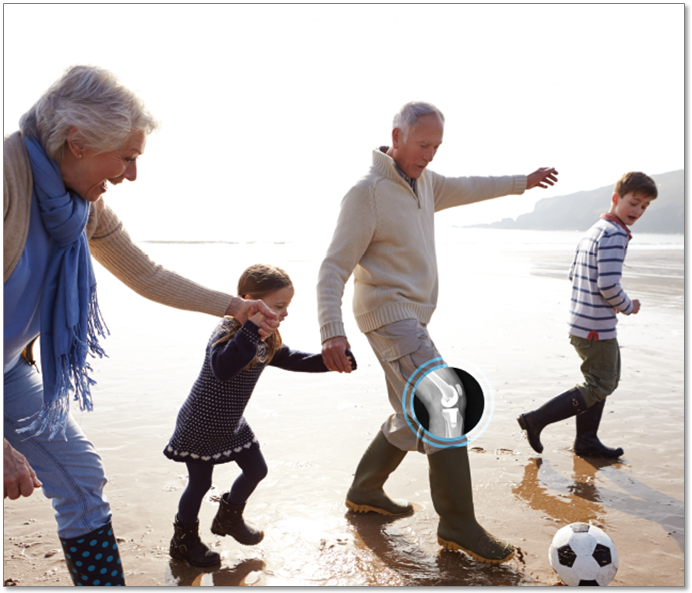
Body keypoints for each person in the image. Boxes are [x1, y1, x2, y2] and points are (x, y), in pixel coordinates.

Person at [4, 65, 278, 586]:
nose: (132, 174)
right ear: (78, 142)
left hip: (6, 369)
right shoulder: (5, 180)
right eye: (127, 157)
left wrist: (234, 306)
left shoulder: (80, 204)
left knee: (81, 480)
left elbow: (145, 273)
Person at [317, 100, 558, 565]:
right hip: (389, 315)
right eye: (423, 144)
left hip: (409, 318)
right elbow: (332, 267)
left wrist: (520, 184)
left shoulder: (425, 183)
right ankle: (458, 524)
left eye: (437, 146)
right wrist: (332, 332)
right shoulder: (366, 193)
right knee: (445, 401)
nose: (429, 154)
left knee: (415, 413)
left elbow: (470, 186)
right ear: (397, 136)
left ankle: (365, 490)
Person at [164, 263, 356, 567]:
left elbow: (289, 358)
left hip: (231, 422)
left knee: (257, 470)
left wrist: (329, 361)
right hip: (201, 422)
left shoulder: (267, 337)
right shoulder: (228, 329)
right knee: (199, 485)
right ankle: (184, 541)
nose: (285, 313)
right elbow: (223, 368)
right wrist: (251, 328)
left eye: (287, 306)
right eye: (280, 306)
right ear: (250, 300)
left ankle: (229, 517)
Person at [517, 172, 657, 459]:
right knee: (602, 382)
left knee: (601, 379)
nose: (638, 211)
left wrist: (605, 300)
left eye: (644, 206)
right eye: (634, 202)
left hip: (581, 321)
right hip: (596, 327)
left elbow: (575, 274)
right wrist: (628, 305)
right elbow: (607, 284)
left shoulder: (595, 229)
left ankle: (586, 440)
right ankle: (536, 420)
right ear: (616, 198)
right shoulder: (615, 234)